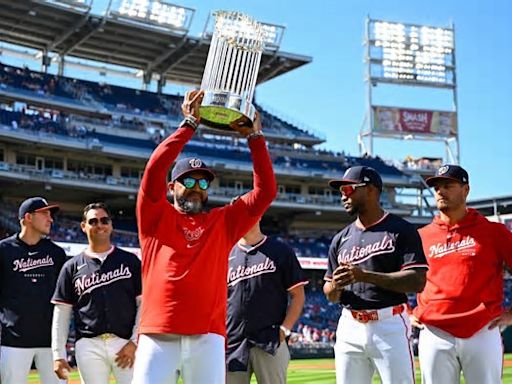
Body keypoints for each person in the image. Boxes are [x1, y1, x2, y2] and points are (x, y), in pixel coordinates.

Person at [132, 90, 277, 384]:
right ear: (173, 187)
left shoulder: (222, 222)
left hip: (207, 335)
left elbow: (265, 193)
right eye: (188, 180)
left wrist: (255, 139)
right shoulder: (154, 216)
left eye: (203, 182)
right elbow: (154, 169)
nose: (197, 186)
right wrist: (188, 124)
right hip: (158, 333)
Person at [322, 165, 428, 384]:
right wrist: (337, 286)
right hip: (349, 324)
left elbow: (417, 281)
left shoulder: (402, 230)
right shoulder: (340, 239)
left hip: (388, 323)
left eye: (349, 189)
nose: (343, 195)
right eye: (341, 191)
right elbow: (330, 293)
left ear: (370, 190)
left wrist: (365, 276)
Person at [410, 164, 512, 384]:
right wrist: (409, 311)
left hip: (482, 330)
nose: (440, 191)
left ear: (466, 190)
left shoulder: (493, 232)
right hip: (435, 332)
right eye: (436, 187)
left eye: (448, 185)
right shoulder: (420, 236)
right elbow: (399, 276)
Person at [51, 202, 141, 384]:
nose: (99, 225)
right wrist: (58, 355)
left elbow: (144, 304)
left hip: (124, 343)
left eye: (104, 220)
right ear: (83, 227)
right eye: (93, 221)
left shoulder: (130, 261)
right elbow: (61, 314)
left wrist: (135, 342)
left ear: (111, 225)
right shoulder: (71, 267)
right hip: (88, 344)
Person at [226, 220, 308, 384]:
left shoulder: (280, 250)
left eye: (245, 213)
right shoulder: (225, 253)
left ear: (257, 215)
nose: (239, 218)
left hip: (270, 340)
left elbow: (298, 295)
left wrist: (285, 329)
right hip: (233, 343)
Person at [0, 197, 66, 384]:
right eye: (45, 213)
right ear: (28, 217)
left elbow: (64, 299)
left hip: (52, 343)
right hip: (13, 342)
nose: (50, 219)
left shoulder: (57, 253)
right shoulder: (3, 250)